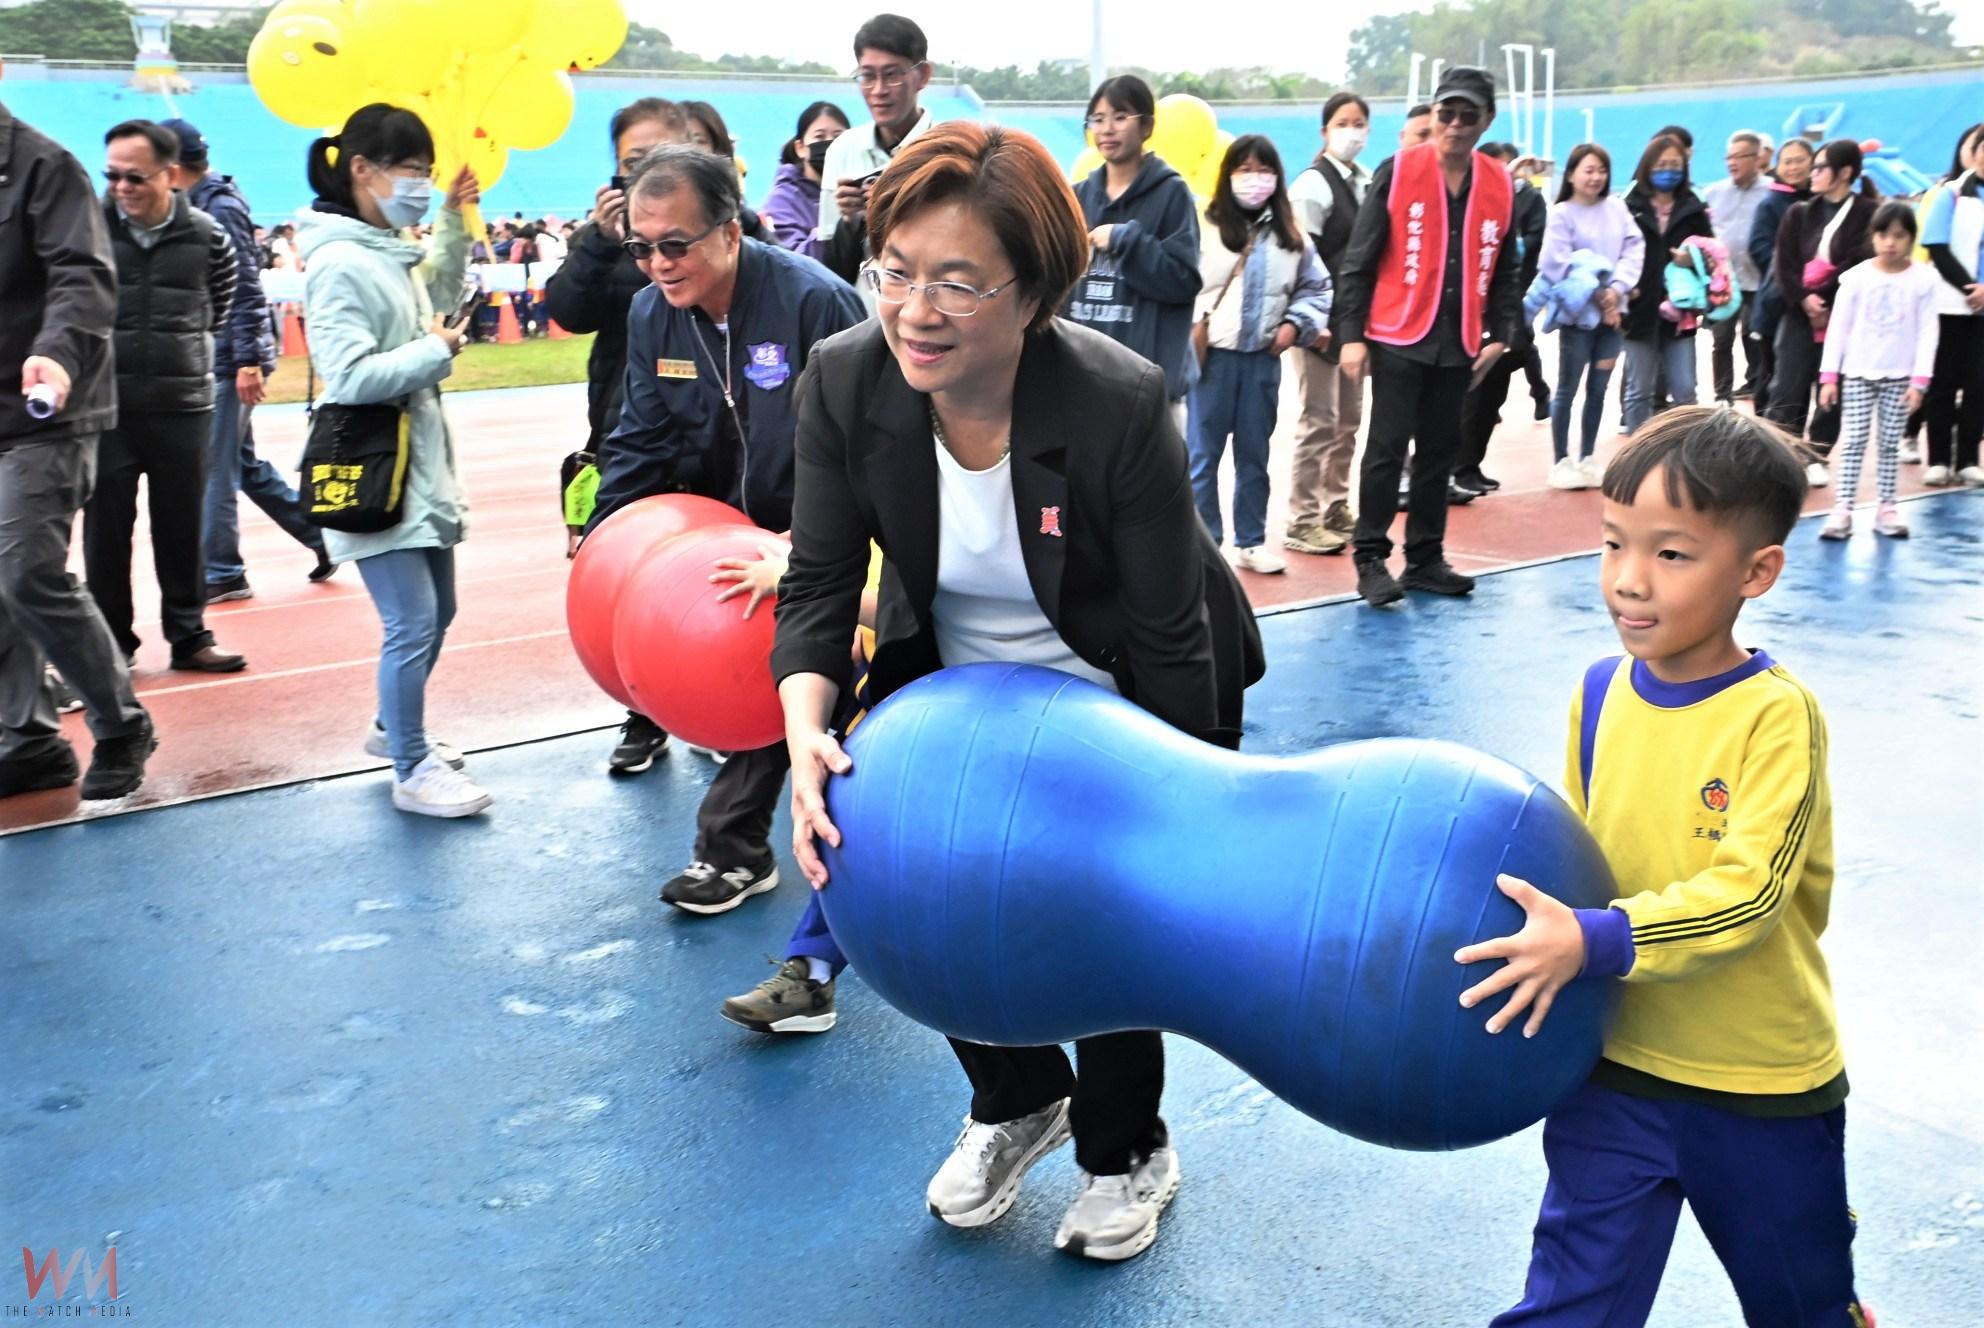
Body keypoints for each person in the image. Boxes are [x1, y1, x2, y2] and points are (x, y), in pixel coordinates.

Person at [773, 122, 1262, 1262]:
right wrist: (804, 730)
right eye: (895, 272)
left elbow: (1164, 629)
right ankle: (1012, 1096)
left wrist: (1176, 801)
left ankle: (1124, 1144)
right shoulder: (847, 378)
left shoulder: (1114, 399)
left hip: (1127, 675)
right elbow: (818, 581)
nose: (915, 309)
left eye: (956, 281)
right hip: (952, 683)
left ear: (1034, 290)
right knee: (901, 866)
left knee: (1114, 905)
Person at [1460, 408, 1870, 1328]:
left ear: (1756, 572)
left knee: (1799, 1303)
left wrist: (1595, 941)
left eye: (1673, 555)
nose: (1629, 582)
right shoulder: (1599, 693)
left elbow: (1751, 897)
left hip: (1758, 1086)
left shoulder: (1775, 717)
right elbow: (1569, 861)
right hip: (1615, 1070)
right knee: (1572, 1303)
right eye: (1613, 545)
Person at [600, 144, 863, 914]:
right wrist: (611, 534)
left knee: (822, 688)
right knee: (774, 682)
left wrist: (808, 550)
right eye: (640, 247)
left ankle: (786, 861)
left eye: (674, 244)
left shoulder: (815, 303)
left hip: (825, 531)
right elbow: (641, 433)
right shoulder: (652, 313)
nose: (657, 263)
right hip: (723, 531)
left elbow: (865, 443)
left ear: (729, 232)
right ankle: (745, 852)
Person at [297, 103, 489, 817]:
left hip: (415, 465)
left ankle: (395, 728)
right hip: (375, 467)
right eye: (410, 171)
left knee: (438, 612)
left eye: (426, 172)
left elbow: (433, 294)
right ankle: (410, 767)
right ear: (362, 171)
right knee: (411, 620)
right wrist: (433, 352)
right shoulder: (340, 264)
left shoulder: (386, 248)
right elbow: (347, 378)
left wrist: (450, 217)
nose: (417, 184)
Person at [0, 66, 157, 801]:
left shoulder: (43, 165)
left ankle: (121, 723)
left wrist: (56, 356)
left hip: (46, 404)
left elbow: (84, 277)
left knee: (26, 567)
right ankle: (28, 741)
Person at [543, 96, 693, 775]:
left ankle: (723, 701)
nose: (646, 171)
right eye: (633, 162)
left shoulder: (714, 230)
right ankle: (642, 713)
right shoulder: (605, 238)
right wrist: (601, 240)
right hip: (624, 424)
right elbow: (568, 309)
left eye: (661, 154)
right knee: (632, 572)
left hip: (711, 432)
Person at [1334, 67, 1521, 608]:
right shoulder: (1399, 170)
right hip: (1398, 334)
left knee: (1441, 451)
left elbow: (1507, 268)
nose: (1456, 125)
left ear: (1487, 120)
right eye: (1447, 113)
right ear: (1433, 115)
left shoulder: (1499, 181)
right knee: (1386, 450)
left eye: (1469, 115)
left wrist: (1501, 333)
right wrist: (1351, 335)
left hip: (1458, 340)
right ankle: (1370, 556)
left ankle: (1425, 559)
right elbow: (1359, 259)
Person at [86, 120, 246, 675]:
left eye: (135, 176)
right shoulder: (88, 229)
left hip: (183, 406)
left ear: (170, 174)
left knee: (180, 528)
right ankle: (112, 644)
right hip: (106, 407)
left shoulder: (207, 234)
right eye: (112, 176)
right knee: (105, 534)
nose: (122, 187)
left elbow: (219, 306)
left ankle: (189, 635)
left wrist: (183, 352)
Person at [159, 118, 336, 604]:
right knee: (244, 464)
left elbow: (244, 288)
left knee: (212, 470)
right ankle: (324, 536)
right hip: (217, 355)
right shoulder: (194, 202)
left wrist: (248, 362)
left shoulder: (218, 207)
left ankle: (223, 571)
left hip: (228, 360)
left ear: (174, 166)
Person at [1188, 135, 1331, 575]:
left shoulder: (1292, 237)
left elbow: (1317, 286)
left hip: (1261, 362)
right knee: (1201, 457)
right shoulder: (1205, 227)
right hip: (1211, 360)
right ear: (1227, 174)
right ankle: (1203, 542)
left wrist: (1294, 326)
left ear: (1277, 177)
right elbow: (1179, 282)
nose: (1254, 179)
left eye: (1264, 170)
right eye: (1244, 170)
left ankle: (1250, 541)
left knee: (1254, 456)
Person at [1063, 75, 1201, 433]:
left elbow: (1183, 282)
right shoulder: (1076, 196)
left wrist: (1128, 240)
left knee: (1155, 488)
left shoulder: (1172, 195)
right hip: (1082, 385)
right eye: (1098, 118)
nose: (1107, 128)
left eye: (1120, 116)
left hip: (1147, 390)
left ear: (1147, 126)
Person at [1283, 91, 1374, 555]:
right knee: (1319, 421)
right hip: (1319, 326)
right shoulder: (1311, 187)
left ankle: (1336, 505)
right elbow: (1298, 261)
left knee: (1348, 422)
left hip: (1353, 326)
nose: (1352, 131)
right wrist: (1309, 321)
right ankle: (1302, 518)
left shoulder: (1365, 181)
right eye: (1343, 122)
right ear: (1324, 131)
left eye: (1360, 123)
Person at [1816, 203, 1942, 539]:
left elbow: (1929, 331)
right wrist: (1829, 376)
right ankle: (1843, 507)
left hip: (1900, 377)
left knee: (1889, 443)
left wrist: (1920, 381)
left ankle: (1887, 506)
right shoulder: (1857, 278)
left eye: (1900, 236)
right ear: (1873, 236)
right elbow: (1838, 328)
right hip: (1857, 372)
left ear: (1911, 239)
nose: (1890, 243)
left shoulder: (1924, 280)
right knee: (1854, 440)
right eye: (1883, 234)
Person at [1770, 139, 1879, 486]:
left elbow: (1863, 259)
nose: (1812, 174)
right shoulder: (1799, 212)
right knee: (1787, 384)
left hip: (1844, 315)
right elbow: (1784, 263)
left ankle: (1816, 453)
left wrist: (1829, 299)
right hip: (1800, 313)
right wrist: (1804, 299)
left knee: (1832, 387)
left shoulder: (1868, 213)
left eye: (1820, 167)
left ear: (1845, 172)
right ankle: (1785, 455)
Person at [1534, 144, 1643, 488]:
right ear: (1571, 175)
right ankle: (1561, 460)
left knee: (1599, 388)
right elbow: (1556, 262)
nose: (1595, 177)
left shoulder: (1618, 208)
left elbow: (1633, 249)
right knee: (1567, 388)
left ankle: (1588, 457)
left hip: (1612, 319)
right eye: (1588, 170)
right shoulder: (1562, 213)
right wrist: (1597, 292)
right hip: (1578, 318)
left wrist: (1617, 289)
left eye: (1601, 170)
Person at [1454, 140, 1549, 494]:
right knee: (1473, 390)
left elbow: (1531, 245)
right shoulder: (1470, 197)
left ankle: (1473, 463)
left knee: (1496, 387)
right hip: (1472, 306)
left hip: (1509, 304)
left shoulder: (1529, 200)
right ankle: (1460, 466)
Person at [816, 13, 938, 284]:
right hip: (865, 318)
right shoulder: (842, 150)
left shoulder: (947, 150)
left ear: (923, 75)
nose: (878, 90)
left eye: (892, 75)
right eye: (867, 76)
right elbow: (831, 273)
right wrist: (850, 222)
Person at [1620, 135, 1712, 434]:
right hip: (1639, 309)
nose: (1668, 171)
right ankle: (1637, 452)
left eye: (1675, 165)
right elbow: (1616, 252)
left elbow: (1712, 254)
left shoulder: (1694, 207)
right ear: (1647, 167)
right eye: (1661, 164)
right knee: (1639, 391)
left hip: (1680, 310)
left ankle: (1685, 453)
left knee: (1685, 390)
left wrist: (1693, 261)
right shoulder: (1628, 206)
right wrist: (1626, 288)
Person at [1918, 121, 1984, 487]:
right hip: (1951, 304)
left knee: (1978, 384)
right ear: (1973, 154)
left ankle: (1968, 459)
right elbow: (1937, 246)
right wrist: (1970, 287)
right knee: (1943, 382)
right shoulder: (1950, 195)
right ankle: (1939, 458)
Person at [1746, 137, 1814, 419]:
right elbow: (1758, 247)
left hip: (1811, 302)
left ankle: (1795, 438)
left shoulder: (1819, 201)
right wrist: (1789, 275)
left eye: (1800, 160)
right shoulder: (1771, 204)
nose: (1794, 167)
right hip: (1776, 302)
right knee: (1772, 374)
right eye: (1788, 161)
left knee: (1802, 377)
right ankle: (1763, 435)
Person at [1703, 130, 1770, 403]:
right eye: (1729, 157)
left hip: (1759, 278)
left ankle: (1759, 387)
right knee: (1721, 339)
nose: (1732, 162)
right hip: (1724, 281)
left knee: (1756, 334)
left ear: (1756, 159)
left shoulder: (1770, 192)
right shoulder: (1713, 193)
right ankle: (1722, 395)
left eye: (1740, 156)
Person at [760, 100, 850, 262]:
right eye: (819, 136)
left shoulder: (857, 189)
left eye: (838, 136)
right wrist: (833, 227)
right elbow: (790, 260)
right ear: (800, 147)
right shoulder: (782, 199)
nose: (830, 143)